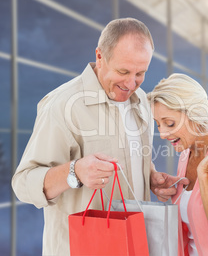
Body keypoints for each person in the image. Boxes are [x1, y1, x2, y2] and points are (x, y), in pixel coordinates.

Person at [12, 18, 187, 255]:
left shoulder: (142, 103)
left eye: (140, 73)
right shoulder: (63, 105)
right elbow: (23, 183)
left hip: (133, 245)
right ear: (100, 56)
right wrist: (75, 172)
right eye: (123, 71)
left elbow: (130, 155)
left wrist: (150, 176)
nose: (131, 83)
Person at [148, 73, 208, 255]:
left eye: (169, 123)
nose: (163, 134)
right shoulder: (186, 153)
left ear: (195, 115)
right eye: (158, 124)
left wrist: (204, 173)